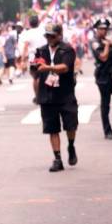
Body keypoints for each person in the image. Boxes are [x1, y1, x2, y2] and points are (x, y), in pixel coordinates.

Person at [33, 23, 79, 172]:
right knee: (52, 128)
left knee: (71, 125)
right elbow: (35, 71)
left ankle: (71, 145)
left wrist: (48, 68)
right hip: (47, 94)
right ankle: (57, 158)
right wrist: (34, 69)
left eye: (52, 35)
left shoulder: (67, 50)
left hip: (65, 93)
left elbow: (65, 67)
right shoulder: (41, 51)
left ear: (59, 35)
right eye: (47, 36)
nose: (50, 38)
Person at [21, 16, 47, 104]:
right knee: (43, 76)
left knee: (36, 78)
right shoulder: (43, 31)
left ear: (30, 24)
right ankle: (42, 95)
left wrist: (23, 59)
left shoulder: (28, 33)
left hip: (33, 57)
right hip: (44, 56)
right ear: (38, 22)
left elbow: (25, 46)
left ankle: (37, 96)